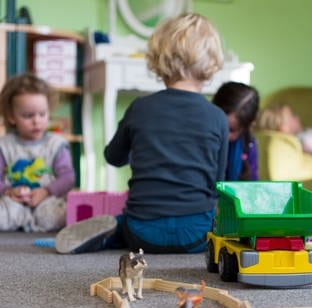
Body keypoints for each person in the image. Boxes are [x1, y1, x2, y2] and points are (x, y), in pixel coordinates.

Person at [55, 13, 229, 254]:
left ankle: (113, 232)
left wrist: (140, 147)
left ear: (158, 59)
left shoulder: (139, 108)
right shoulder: (217, 116)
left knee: (126, 222)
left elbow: (112, 157)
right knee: (216, 224)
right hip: (196, 235)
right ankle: (117, 231)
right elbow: (218, 182)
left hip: (143, 234)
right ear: (211, 63)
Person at [0, 73, 75, 232]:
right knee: (4, 211)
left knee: (60, 214)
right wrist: (8, 191)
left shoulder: (56, 144)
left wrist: (46, 191)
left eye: (42, 114)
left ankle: (29, 222)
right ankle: (21, 220)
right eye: (28, 115)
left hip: (46, 200)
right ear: (11, 116)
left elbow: (68, 178)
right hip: (13, 201)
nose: (37, 121)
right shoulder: (4, 145)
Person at [212, 81, 260, 181]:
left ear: (246, 128)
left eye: (231, 130)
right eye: (221, 127)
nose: (224, 135)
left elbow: (252, 186)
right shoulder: (201, 141)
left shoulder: (248, 146)